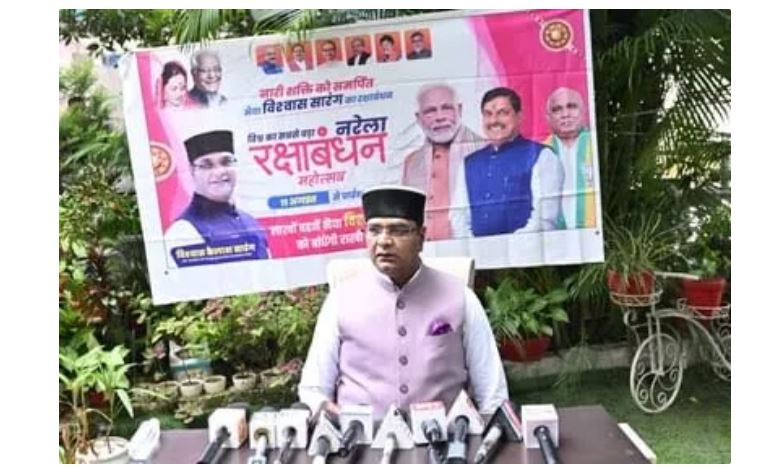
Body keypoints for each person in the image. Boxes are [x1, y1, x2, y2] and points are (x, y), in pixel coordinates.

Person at [298, 185, 508, 420]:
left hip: (446, 436)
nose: (384, 241)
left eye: (398, 230)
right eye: (374, 230)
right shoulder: (340, 300)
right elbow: (314, 390)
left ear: (421, 237)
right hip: (360, 438)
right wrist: (336, 417)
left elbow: (492, 392)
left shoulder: (460, 297)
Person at [462, 87, 564, 236]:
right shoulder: (470, 163)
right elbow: (459, 218)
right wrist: (475, 246)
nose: (494, 120)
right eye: (488, 114)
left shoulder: (542, 156)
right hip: (477, 249)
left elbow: (544, 220)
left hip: (526, 249)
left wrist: (509, 246)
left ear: (519, 116)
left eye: (503, 113)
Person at [165, 130, 270, 265]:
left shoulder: (251, 222)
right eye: (207, 165)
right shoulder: (184, 231)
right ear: (192, 171)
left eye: (226, 162)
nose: (219, 171)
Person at [402, 83, 485, 240]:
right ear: (418, 118)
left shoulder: (484, 150)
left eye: (446, 108)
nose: (440, 117)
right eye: (430, 111)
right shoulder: (411, 162)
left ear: (459, 110)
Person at [544, 87, 596, 230]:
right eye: (557, 109)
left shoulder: (597, 145)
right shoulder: (539, 154)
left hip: (594, 236)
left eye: (572, 106)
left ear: (584, 112)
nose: (565, 114)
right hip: (552, 237)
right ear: (548, 118)